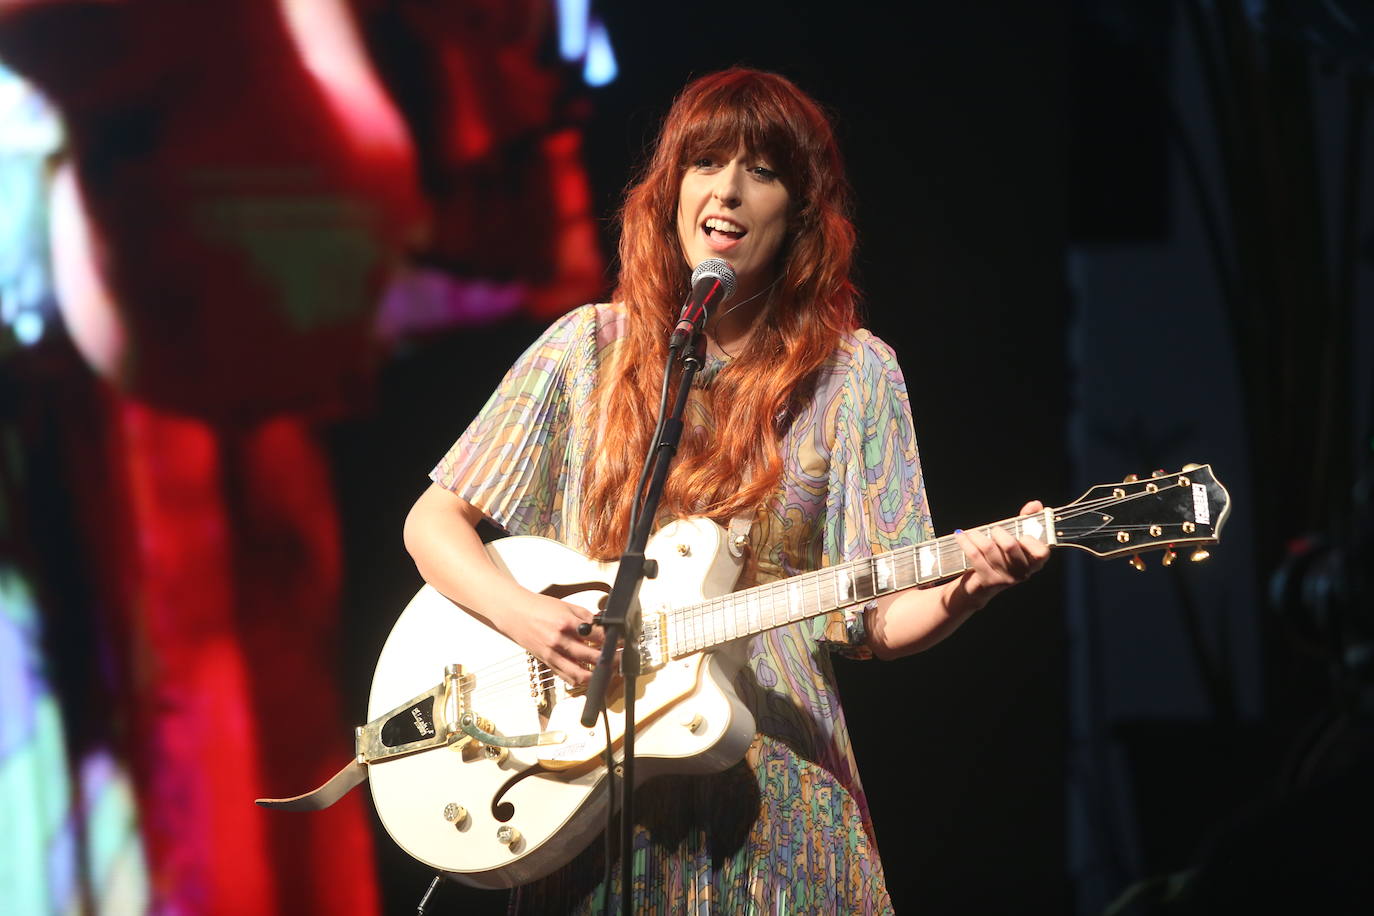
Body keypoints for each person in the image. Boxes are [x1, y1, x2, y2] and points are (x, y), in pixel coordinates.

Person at [403, 67, 1049, 914]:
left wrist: (970, 586)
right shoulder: (585, 349)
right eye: (707, 162)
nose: (729, 190)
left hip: (775, 795)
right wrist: (524, 615)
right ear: (671, 190)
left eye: (765, 171)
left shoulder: (855, 376)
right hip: (586, 788)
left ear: (800, 216)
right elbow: (434, 521)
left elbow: (878, 620)